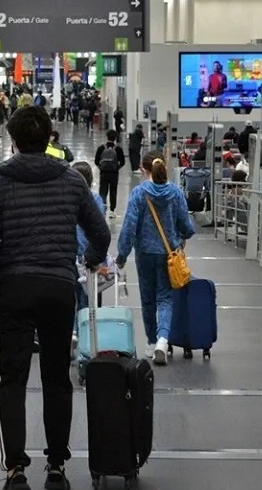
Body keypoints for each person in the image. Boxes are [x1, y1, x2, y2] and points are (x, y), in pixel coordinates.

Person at [0, 105, 111, 490]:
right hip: (58, 288)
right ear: (50, 137)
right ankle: (56, 465)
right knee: (56, 378)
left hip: (15, 288)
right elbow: (99, 232)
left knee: (11, 380)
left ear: (12, 140)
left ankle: (15, 469)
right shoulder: (71, 181)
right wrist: (88, 261)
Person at [115, 152, 196, 365]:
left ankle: (151, 343)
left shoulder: (139, 194)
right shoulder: (176, 193)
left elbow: (129, 228)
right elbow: (187, 226)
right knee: (165, 298)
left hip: (145, 254)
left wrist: (122, 256)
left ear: (143, 169)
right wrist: (182, 236)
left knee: (148, 298)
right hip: (169, 254)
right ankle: (163, 339)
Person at [72, 161, 107, 321]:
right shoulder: (95, 199)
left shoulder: (66, 199)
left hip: (70, 255)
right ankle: (86, 332)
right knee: (89, 299)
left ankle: (72, 330)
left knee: (71, 297)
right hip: (89, 258)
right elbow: (100, 231)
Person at [94, 129, 126, 217]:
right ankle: (112, 211)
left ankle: (102, 208)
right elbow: (123, 162)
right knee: (113, 191)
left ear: (107, 137)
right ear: (115, 138)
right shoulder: (118, 149)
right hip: (114, 174)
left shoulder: (101, 148)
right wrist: (116, 168)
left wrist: (101, 168)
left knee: (103, 190)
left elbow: (96, 161)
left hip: (103, 173)